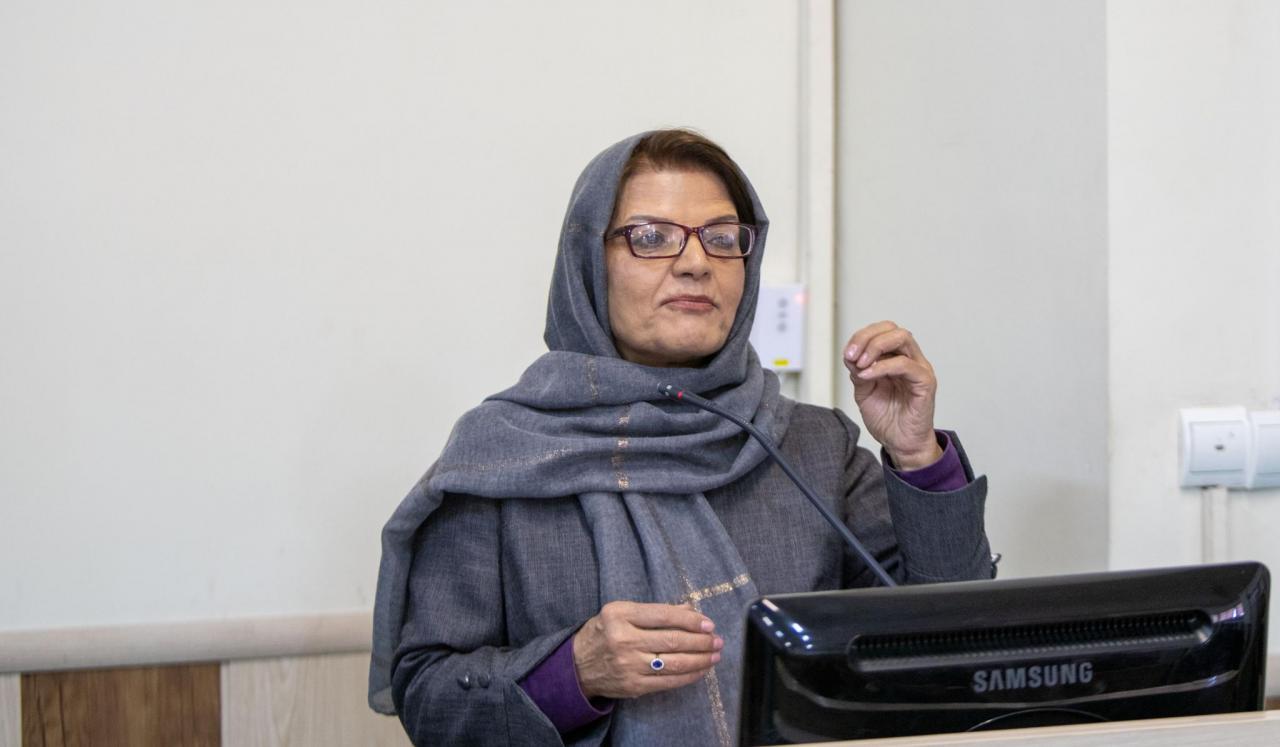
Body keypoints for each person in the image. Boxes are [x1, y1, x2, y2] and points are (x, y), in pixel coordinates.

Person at [368, 129, 994, 746]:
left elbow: (949, 647)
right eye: (651, 237)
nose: (696, 263)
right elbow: (430, 701)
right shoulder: (503, 455)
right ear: (588, 265)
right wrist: (574, 672)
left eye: (722, 239)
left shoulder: (810, 445)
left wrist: (916, 454)